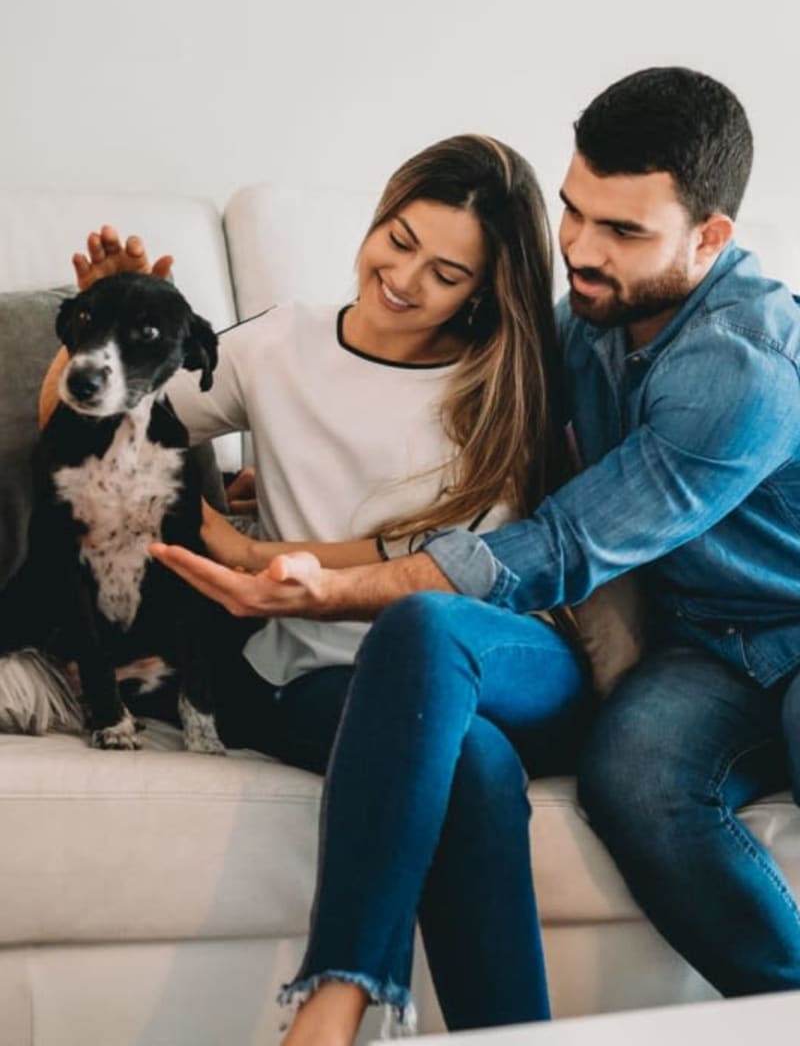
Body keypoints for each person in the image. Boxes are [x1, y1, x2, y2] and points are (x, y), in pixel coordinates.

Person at [154, 67, 800, 1007]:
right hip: (698, 641)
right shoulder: (584, 324)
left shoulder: (741, 369)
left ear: (710, 238)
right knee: (635, 781)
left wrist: (318, 583)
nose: (582, 249)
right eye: (577, 211)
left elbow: (557, 547)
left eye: (624, 231)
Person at [44, 136, 592, 1041]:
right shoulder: (278, 344)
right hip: (322, 675)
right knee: (476, 766)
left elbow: (459, 559)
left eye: (447, 272)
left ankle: (327, 1017)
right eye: (399, 238)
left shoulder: (500, 377)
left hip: (495, 653)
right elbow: (84, 438)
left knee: (424, 622)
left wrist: (265, 558)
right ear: (379, 215)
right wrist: (95, 331)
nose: (406, 278)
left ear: (485, 289)